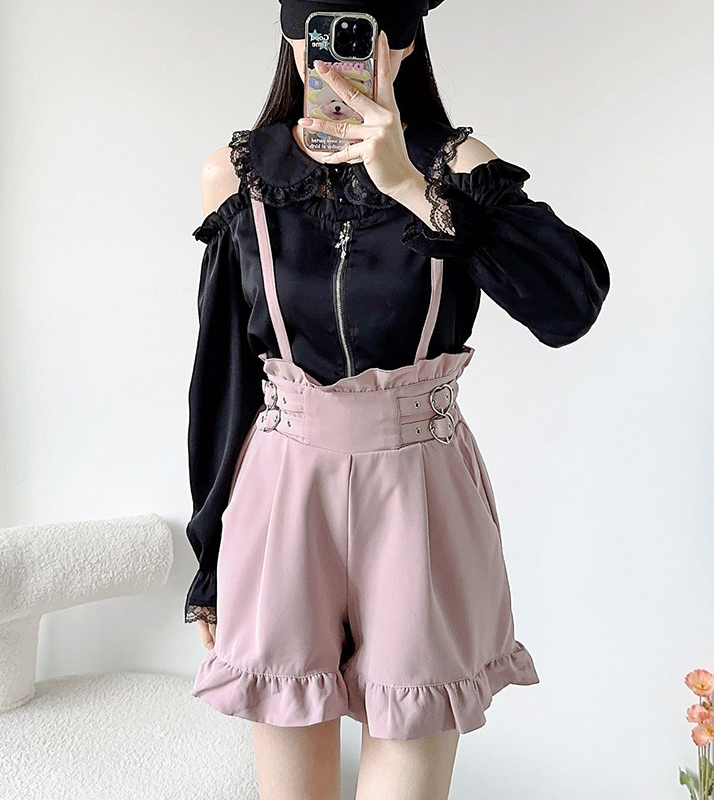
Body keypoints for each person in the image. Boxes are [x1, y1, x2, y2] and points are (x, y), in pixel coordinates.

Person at [185, 1, 610, 797]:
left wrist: (413, 188)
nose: (331, 53)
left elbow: (570, 306)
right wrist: (209, 555)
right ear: (290, 36)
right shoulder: (237, 176)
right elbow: (222, 377)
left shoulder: (456, 170)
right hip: (282, 494)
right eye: (315, 26)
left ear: (404, 43)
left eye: (361, 28)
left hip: (420, 492)